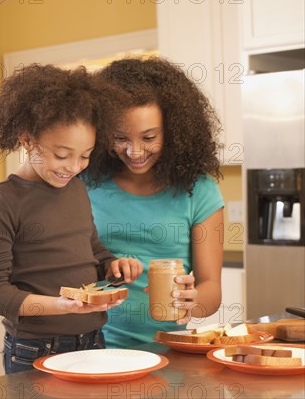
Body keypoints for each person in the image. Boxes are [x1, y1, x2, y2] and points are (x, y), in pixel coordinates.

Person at [0, 64, 143, 373]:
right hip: (35, 349)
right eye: (61, 155)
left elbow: (93, 251)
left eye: (85, 156)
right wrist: (60, 306)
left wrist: (113, 267)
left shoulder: (76, 188)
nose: (73, 167)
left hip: (93, 341)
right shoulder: (3, 201)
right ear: (27, 140)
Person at [84, 57, 225, 349]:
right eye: (120, 137)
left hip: (169, 348)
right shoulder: (83, 183)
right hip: (90, 346)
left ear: (173, 131)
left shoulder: (199, 191)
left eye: (149, 137)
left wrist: (192, 302)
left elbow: (211, 285)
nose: (134, 151)